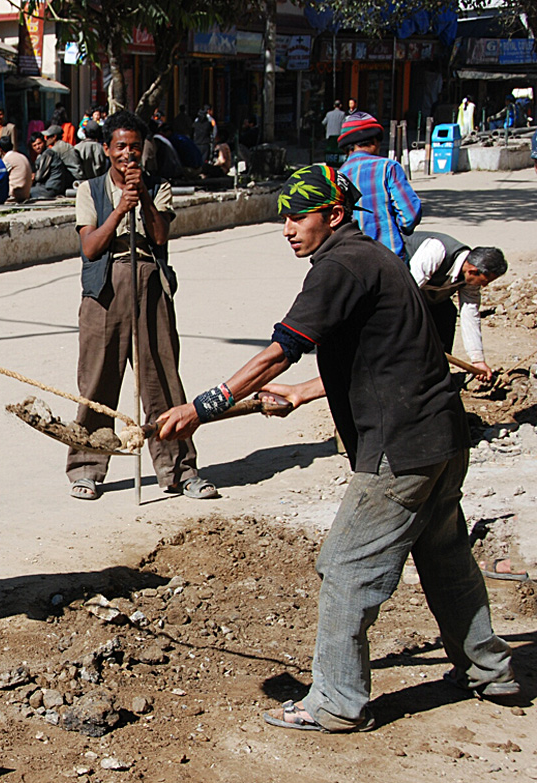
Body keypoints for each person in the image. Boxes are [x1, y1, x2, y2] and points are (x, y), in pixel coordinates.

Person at [157, 163, 518, 731]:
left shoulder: (339, 267)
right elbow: (384, 352)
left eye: (298, 216)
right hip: (442, 439)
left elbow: (281, 350)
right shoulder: (378, 258)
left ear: (334, 214)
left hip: (400, 449)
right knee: (446, 559)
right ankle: (489, 669)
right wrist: (301, 394)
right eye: (283, 217)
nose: (287, 229)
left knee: (346, 569)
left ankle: (337, 702)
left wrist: (202, 407)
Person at [68, 110, 217, 502]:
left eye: (136, 147)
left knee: (162, 381)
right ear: (107, 149)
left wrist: (143, 196)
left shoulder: (159, 187)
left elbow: (160, 234)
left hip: (149, 283)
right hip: (105, 288)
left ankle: (180, 470)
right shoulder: (90, 190)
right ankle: (87, 467)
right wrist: (120, 208)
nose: (129, 155)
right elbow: (90, 247)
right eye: (121, 147)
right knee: (97, 381)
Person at [405, 233, 507, 381]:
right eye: (485, 281)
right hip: (403, 290)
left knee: (446, 313)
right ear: (472, 270)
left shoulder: (469, 277)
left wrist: (477, 360)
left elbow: (470, 314)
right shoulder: (436, 251)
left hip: (430, 298)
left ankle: (435, 375)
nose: (485, 286)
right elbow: (407, 294)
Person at [338, 111, 421, 259]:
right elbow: (409, 217)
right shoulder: (388, 168)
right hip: (389, 258)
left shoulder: (338, 177)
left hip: (351, 259)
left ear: (346, 148)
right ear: (375, 141)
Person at [29, 132, 68, 199]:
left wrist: (33, 177)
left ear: (44, 142)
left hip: (52, 187)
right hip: (47, 186)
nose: (37, 147)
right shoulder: (41, 155)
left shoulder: (47, 154)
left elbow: (39, 176)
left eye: (39, 143)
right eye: (34, 145)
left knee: (27, 192)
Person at [0, 135, 31, 203]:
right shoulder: (22, 156)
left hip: (15, 194)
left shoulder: (7, 159)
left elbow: (0, 177)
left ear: (0, 150)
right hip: (26, 193)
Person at [322, 100, 346, 165]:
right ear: (340, 105)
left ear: (334, 106)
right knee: (337, 150)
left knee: (330, 149)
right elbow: (345, 124)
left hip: (329, 135)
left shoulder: (328, 114)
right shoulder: (342, 114)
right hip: (338, 135)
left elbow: (323, 122)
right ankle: (336, 162)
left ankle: (329, 161)